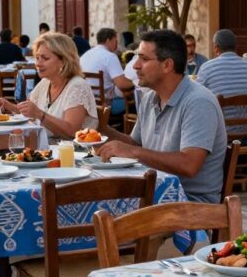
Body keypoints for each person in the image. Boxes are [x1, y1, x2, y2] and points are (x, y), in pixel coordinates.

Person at [97, 30, 227, 203]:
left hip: (190, 204)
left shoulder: (198, 102)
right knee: (94, 198)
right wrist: (101, 128)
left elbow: (189, 164)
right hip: (152, 193)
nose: (135, 66)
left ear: (167, 65)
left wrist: (133, 152)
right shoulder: (150, 98)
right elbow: (136, 143)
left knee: (102, 207)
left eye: (144, 59)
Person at [0, 32, 97, 139]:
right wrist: (9, 107)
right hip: (44, 145)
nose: (38, 64)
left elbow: (72, 132)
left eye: (45, 58)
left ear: (64, 61)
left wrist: (40, 114)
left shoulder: (77, 86)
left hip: (70, 148)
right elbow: (30, 111)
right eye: (37, 58)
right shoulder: (45, 83)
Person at [80, 27, 134, 114]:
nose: (117, 44)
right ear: (108, 40)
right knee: (135, 101)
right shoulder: (109, 56)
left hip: (86, 103)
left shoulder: (85, 55)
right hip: (105, 105)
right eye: (115, 41)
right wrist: (136, 83)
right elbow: (122, 84)